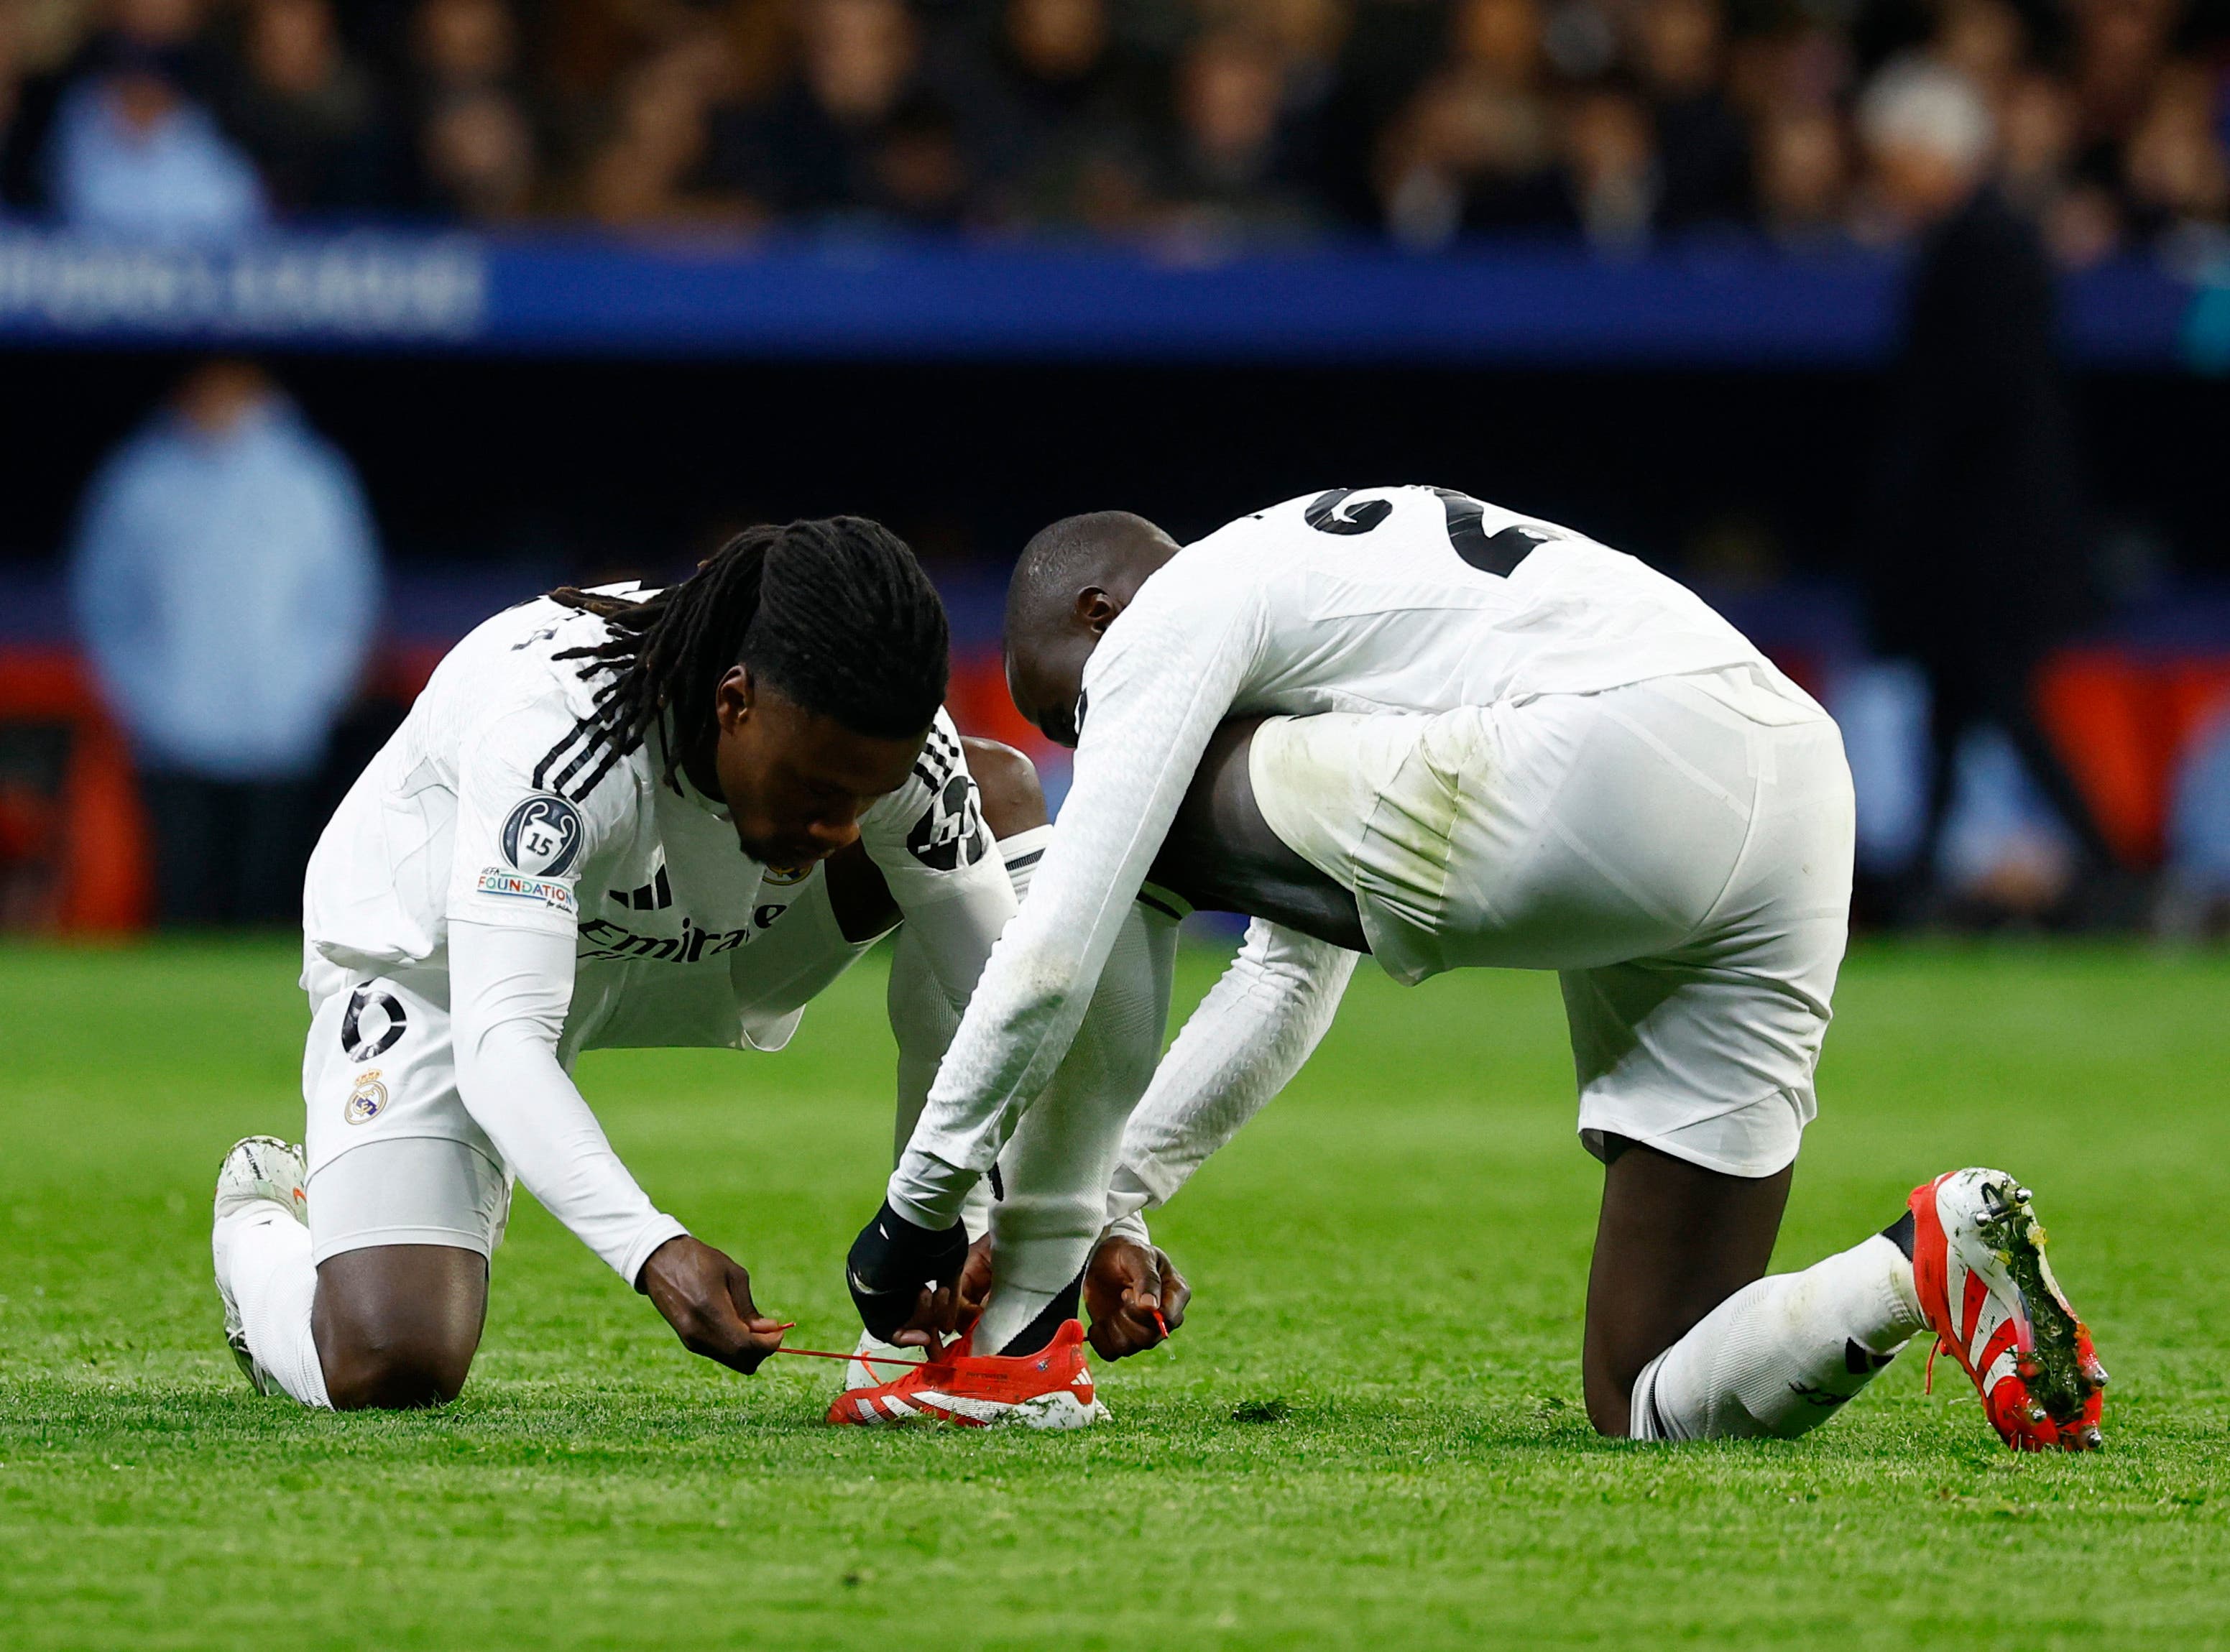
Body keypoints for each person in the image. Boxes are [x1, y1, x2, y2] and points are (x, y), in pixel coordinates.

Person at [840, 486, 2107, 1452]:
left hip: (1620, 744)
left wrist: (918, 1212)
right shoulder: (1329, 611)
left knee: (1130, 840)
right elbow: (1290, 969)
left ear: (1100, 615)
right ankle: (1924, 1254)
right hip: (1785, 775)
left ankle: (1012, 1343)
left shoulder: (1178, 607)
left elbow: (1062, 937)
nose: (1086, 733)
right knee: (1648, 1390)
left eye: (1071, 705)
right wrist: (1120, 1192)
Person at [209, 515, 1175, 1418]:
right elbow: (503, 1042)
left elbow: (1005, 1004)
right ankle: (260, 1222)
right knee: (393, 1359)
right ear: (733, 702)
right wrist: (652, 1248)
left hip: (712, 944)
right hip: (448, 971)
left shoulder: (876, 754)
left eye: (861, 798)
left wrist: (1097, 1219)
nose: (837, 828)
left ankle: (930, 1318)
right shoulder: (554, 736)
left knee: (990, 792)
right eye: (817, 790)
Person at [1858, 60, 2122, 918]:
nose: (1884, 178)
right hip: (1980, 538)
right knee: (1954, 707)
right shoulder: (1979, 239)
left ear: (1932, 155)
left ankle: (2109, 867)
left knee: (1999, 702)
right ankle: (1926, 879)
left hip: (1989, 541)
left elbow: (1974, 408)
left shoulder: (1985, 245)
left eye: (1893, 159)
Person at [71, 358, 380, 927]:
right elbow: (107, 602)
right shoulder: (142, 478)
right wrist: (142, 701)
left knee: (272, 895)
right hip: (171, 728)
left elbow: (342, 597)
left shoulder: (309, 478)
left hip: (282, 726)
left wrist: (314, 694)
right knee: (182, 892)